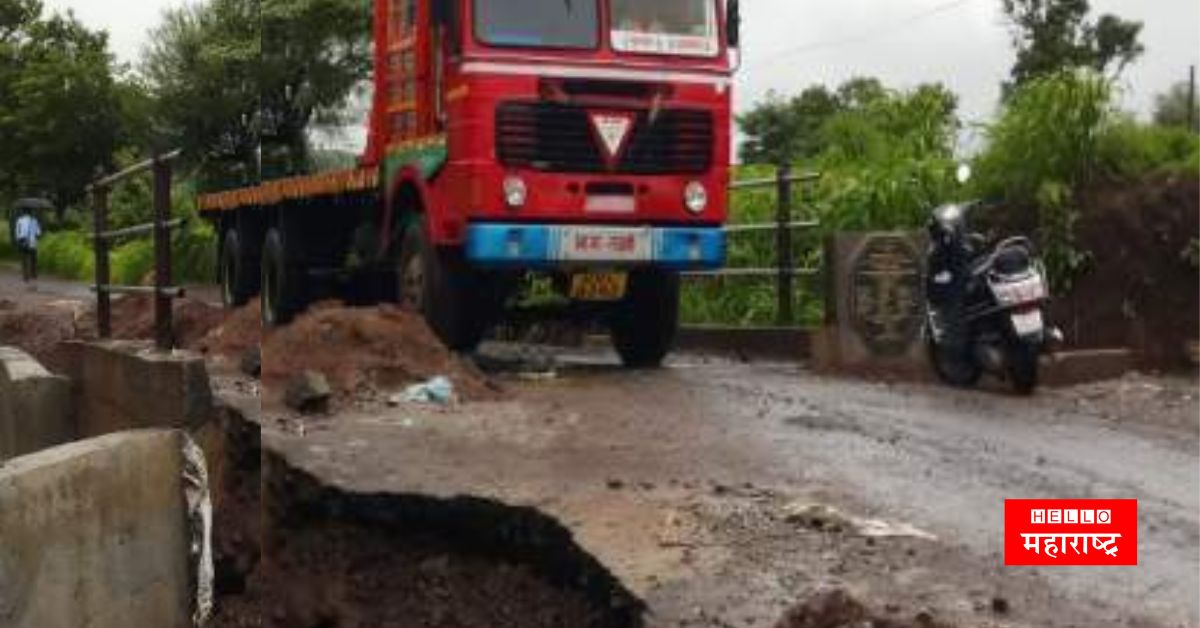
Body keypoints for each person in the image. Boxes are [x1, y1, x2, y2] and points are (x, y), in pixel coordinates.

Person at [13, 209, 41, 285]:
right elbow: (38, 232)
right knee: (33, 258)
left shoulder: (20, 220)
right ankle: (33, 274)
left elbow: (17, 232)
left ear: (23, 213)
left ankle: (25, 276)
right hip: (32, 242)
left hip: (23, 241)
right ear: (30, 213)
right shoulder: (34, 220)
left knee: (24, 259)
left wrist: (18, 239)